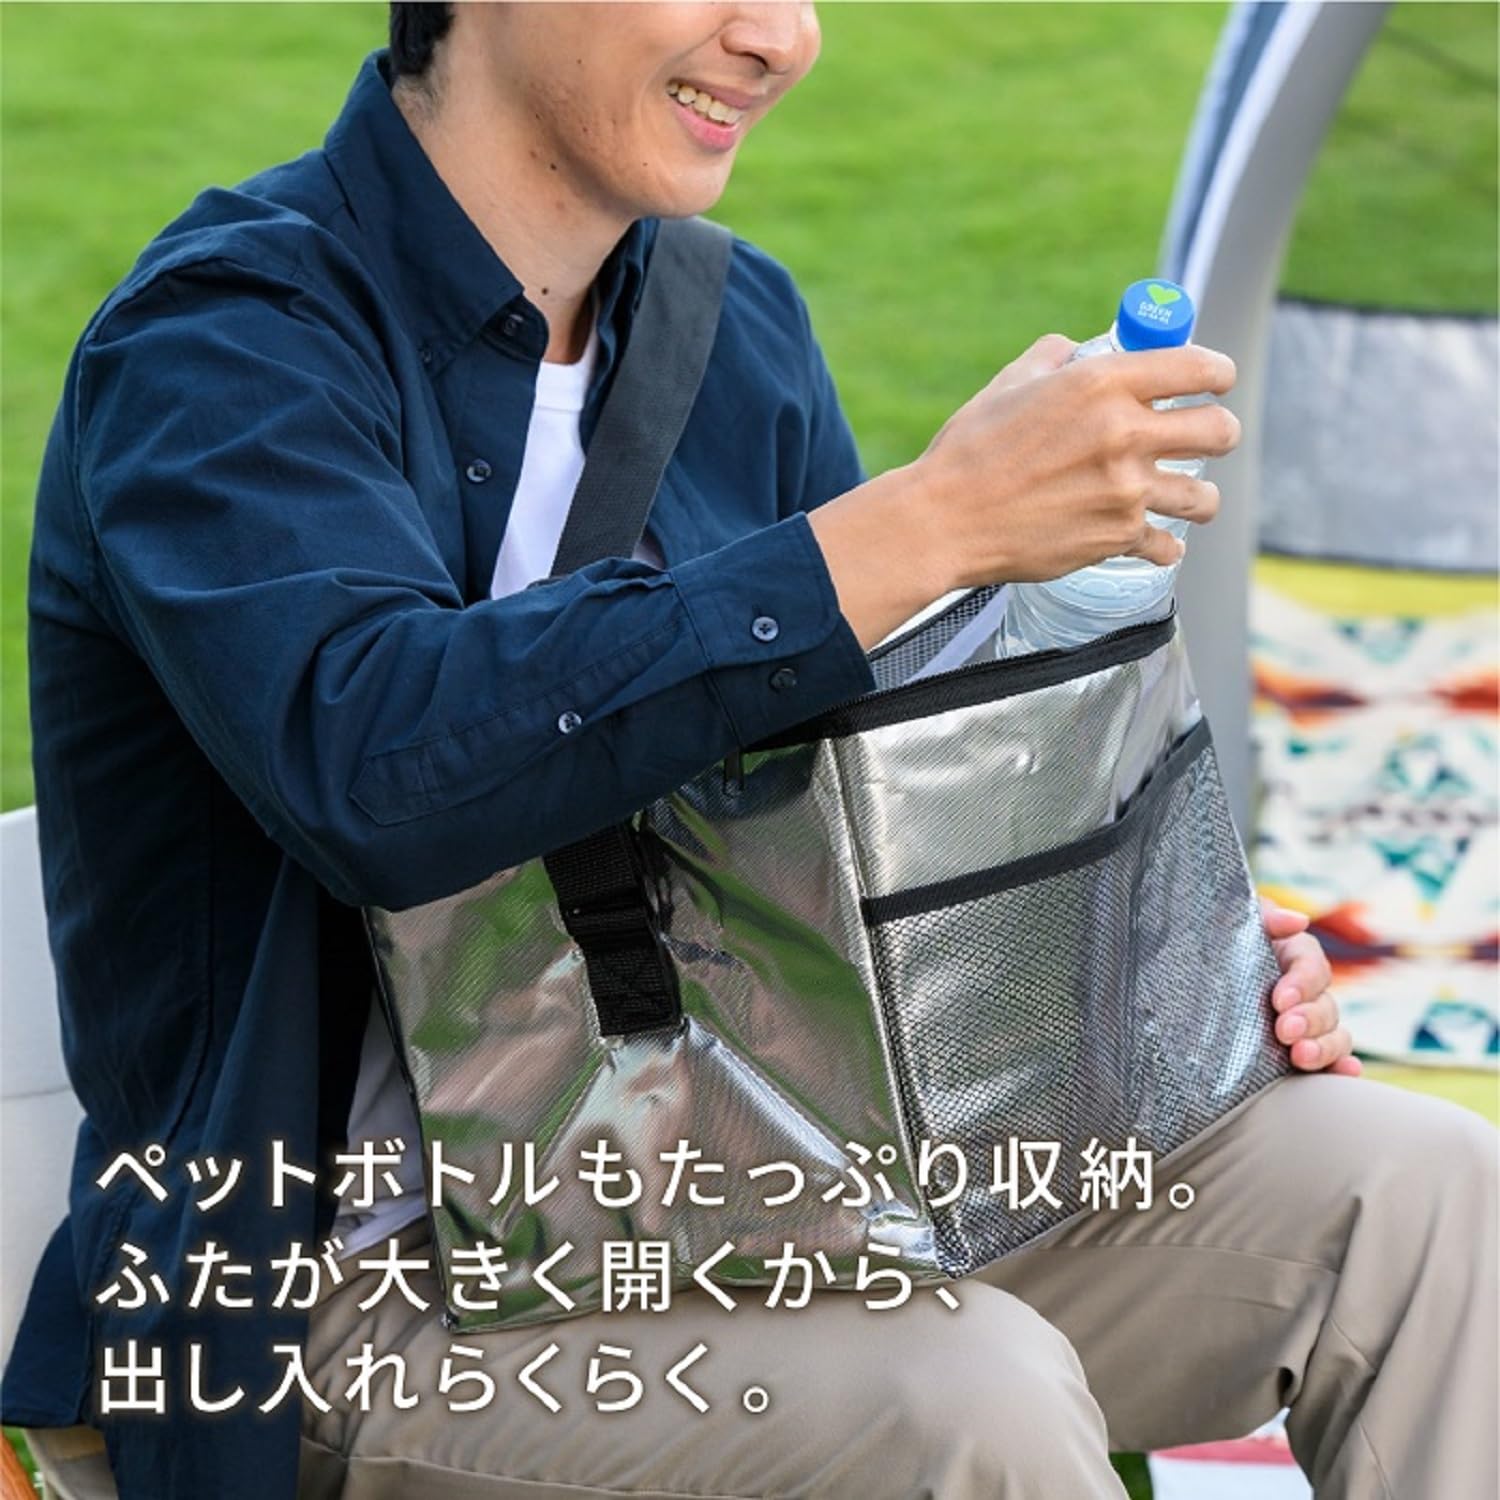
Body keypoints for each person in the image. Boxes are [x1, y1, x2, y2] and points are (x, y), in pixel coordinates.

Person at [3, 5, 1493, 1498]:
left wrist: (1163, 943)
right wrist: (922, 524)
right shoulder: (222, 344)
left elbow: (836, 833)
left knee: (1424, 1196)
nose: (782, 36)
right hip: (344, 1288)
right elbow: (373, 768)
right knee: (969, 1396)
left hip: (758, 1189)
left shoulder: (730, 331)